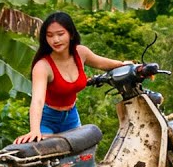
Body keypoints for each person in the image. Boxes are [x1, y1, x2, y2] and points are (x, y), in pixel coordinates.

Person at [14, 11, 130, 144]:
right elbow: (37, 100)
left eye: (60, 34)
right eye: (50, 36)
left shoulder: (81, 53)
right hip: (47, 119)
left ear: (71, 34)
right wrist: (34, 130)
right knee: (50, 160)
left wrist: (128, 66)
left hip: (71, 117)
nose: (55, 40)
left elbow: (104, 63)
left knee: (79, 159)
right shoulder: (43, 66)